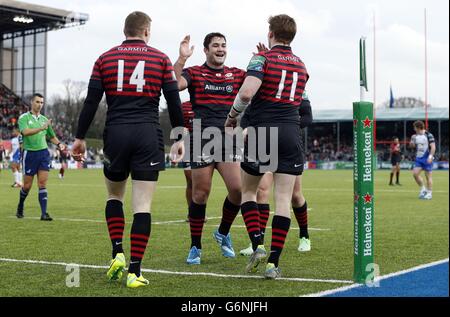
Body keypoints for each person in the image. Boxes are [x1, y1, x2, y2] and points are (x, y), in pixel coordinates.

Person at [71, 11, 185, 288]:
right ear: (146, 31)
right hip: (148, 134)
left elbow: (90, 102)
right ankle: (135, 271)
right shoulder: (160, 58)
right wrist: (179, 137)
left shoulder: (105, 58)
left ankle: (117, 252)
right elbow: (173, 100)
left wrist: (80, 137)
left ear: (125, 31)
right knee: (142, 205)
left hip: (116, 134)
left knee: (114, 196)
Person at [225, 14, 310, 279]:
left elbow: (248, 92)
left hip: (264, 131)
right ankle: (274, 263)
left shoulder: (261, 59)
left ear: (270, 33)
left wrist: (232, 117)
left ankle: (257, 244)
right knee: (283, 200)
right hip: (291, 132)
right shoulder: (301, 63)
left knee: (249, 191)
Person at [173, 33, 246, 264]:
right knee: (200, 194)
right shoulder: (194, 72)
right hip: (202, 138)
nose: (220, 49)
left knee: (238, 190)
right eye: (215, 45)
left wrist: (264, 61)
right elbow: (174, 85)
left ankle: (222, 232)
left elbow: (257, 84)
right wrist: (181, 59)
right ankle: (195, 246)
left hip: (228, 138)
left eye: (224, 45)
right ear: (206, 50)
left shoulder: (236, 74)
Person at [239, 89, 313, 256]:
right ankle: (258, 243)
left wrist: (287, 124)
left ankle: (304, 235)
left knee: (295, 195)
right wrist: (245, 128)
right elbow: (248, 114)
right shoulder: (261, 88)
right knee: (262, 191)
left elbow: (307, 117)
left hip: (287, 143)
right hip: (265, 143)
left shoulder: (298, 89)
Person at [16, 93, 65, 220]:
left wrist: (59, 144)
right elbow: (25, 132)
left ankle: (44, 213)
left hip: (43, 153)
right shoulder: (24, 118)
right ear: (32, 102)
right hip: (29, 154)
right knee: (27, 186)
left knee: (42, 183)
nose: (40, 105)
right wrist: (41, 128)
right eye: (37, 102)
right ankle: (20, 205)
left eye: (42, 103)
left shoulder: (44, 119)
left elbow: (51, 136)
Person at [409, 120, 436, 200]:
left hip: (427, 158)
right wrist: (412, 142)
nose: (414, 129)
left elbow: (433, 147)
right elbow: (412, 147)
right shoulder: (414, 136)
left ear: (418, 127)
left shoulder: (429, 135)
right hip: (418, 158)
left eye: (414, 127)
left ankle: (429, 193)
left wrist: (430, 157)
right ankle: (423, 189)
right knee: (415, 174)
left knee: (428, 176)